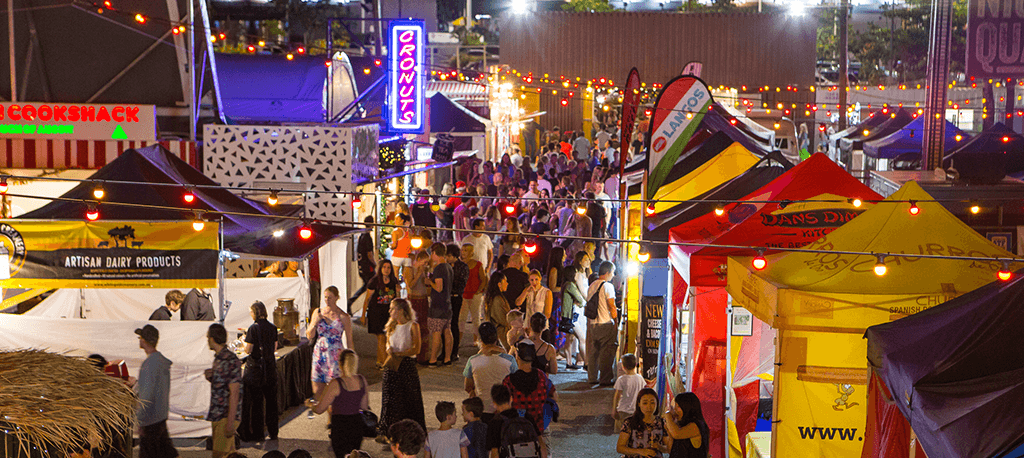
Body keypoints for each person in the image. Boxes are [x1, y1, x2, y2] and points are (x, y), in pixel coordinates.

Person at [305, 349, 370, 458]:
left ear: (340, 364)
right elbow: (364, 406)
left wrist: (311, 405)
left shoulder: (336, 384)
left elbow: (320, 409)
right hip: (356, 424)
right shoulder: (361, 380)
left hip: (340, 426)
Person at [380, 299, 427, 436]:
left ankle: (411, 429)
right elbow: (388, 343)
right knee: (391, 397)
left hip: (406, 364)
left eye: (392, 309)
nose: (389, 311)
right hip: (393, 364)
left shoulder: (413, 326)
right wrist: (390, 350)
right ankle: (389, 429)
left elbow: (416, 349)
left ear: (400, 310)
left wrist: (401, 353)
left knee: (409, 397)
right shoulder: (391, 326)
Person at [134, 324, 178, 458]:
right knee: (167, 452)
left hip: (150, 419)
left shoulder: (148, 365)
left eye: (140, 337)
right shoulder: (162, 363)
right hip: (161, 416)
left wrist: (140, 419)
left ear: (144, 340)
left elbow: (146, 395)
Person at [238, 301, 279, 442]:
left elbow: (248, 350)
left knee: (257, 403)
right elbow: (274, 348)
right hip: (270, 368)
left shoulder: (252, 329)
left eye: (251, 312)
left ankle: (258, 434)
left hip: (256, 370)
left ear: (255, 313)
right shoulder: (273, 327)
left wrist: (243, 342)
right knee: (272, 402)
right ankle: (273, 431)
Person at [307, 286, 355, 402]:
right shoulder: (318, 312)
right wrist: (314, 322)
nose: (327, 300)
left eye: (330, 297)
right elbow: (310, 335)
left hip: (335, 354)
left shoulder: (343, 317)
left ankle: (332, 417)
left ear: (337, 298)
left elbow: (349, 340)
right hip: (320, 352)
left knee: (334, 390)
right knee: (317, 390)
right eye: (325, 297)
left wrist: (351, 361)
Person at [463, 322, 517, 422]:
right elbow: (516, 384)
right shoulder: (510, 360)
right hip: (504, 410)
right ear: (497, 338)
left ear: (480, 340)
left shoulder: (473, 360)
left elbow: (467, 387)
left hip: (482, 410)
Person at [502, 341, 556, 439]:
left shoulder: (508, 380)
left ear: (517, 356)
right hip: (538, 428)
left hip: (516, 429)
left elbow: (503, 406)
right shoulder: (541, 376)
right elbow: (554, 395)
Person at [204, 323, 242, 458]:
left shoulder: (229, 360)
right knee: (229, 454)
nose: (207, 339)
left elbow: (234, 392)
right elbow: (225, 386)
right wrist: (212, 377)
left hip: (224, 416)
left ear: (212, 339)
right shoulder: (221, 358)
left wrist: (230, 422)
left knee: (221, 455)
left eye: (208, 336)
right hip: (219, 415)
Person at [486, 384, 544, 458]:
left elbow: (495, 453)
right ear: (511, 399)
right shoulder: (525, 415)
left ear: (494, 403)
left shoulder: (494, 422)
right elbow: (541, 443)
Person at [587, 261, 618, 386]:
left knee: (594, 352)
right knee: (607, 352)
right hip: (605, 323)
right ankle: (605, 379)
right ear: (608, 272)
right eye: (612, 272)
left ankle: (592, 377)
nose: (613, 275)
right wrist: (615, 321)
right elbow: (612, 306)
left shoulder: (592, 285)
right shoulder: (607, 286)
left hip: (593, 324)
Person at [363, 259, 399, 367]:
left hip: (388, 313)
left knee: (387, 338)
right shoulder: (374, 281)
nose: (386, 270)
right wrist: (363, 315)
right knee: (381, 338)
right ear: (380, 268)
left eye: (388, 268)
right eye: (384, 267)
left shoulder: (393, 281)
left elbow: (397, 298)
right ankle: (384, 363)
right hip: (376, 312)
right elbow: (367, 298)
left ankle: (380, 361)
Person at [617, 388, 670, 458]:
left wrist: (660, 447)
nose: (649, 407)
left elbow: (668, 448)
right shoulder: (629, 422)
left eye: (652, 403)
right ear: (639, 404)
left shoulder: (661, 422)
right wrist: (640, 451)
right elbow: (620, 448)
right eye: (645, 403)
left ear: (657, 404)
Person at [427, 243, 455, 365]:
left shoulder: (439, 268)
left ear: (434, 253)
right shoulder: (449, 267)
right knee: (447, 331)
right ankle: (447, 358)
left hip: (438, 304)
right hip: (447, 304)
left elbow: (438, 287)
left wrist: (429, 282)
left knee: (436, 332)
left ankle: (433, 359)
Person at [664, 392, 710, 458]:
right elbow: (671, 451)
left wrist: (667, 415)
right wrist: (669, 431)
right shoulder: (681, 426)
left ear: (687, 407)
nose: (675, 409)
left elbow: (677, 434)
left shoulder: (696, 425)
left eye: (678, 406)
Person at [559, 263, 586, 370]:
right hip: (571, 316)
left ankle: (569, 362)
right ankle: (586, 363)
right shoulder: (570, 285)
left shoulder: (565, 284)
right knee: (581, 338)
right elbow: (581, 300)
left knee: (569, 339)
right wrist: (578, 302)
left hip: (566, 316)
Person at [460, 243, 488, 345]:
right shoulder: (460, 264)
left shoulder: (478, 264)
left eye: (465, 250)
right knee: (461, 318)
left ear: (471, 252)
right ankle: (458, 340)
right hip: (463, 295)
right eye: (462, 250)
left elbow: (483, 279)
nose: (463, 252)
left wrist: (479, 290)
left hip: (475, 295)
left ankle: (476, 340)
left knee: (476, 318)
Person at [408, 251, 432, 364]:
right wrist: (418, 274)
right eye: (425, 262)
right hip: (414, 300)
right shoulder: (410, 269)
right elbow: (410, 285)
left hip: (423, 300)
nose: (426, 264)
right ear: (419, 260)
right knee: (414, 328)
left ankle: (423, 355)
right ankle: (414, 354)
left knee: (424, 328)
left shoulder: (424, 270)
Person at [350, 216, 378, 312]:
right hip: (368, 267)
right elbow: (369, 254)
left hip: (362, 266)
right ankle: (370, 306)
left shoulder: (361, 236)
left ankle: (354, 302)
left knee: (366, 286)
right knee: (373, 285)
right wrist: (375, 264)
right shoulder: (367, 237)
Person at [612, 354, 646, 429]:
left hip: (623, 410)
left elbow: (617, 395)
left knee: (621, 434)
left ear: (623, 367)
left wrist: (614, 409)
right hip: (636, 411)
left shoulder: (621, 379)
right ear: (635, 365)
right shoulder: (640, 378)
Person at [447, 244, 469, 355]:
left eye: (448, 255)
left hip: (456, 297)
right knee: (445, 324)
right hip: (446, 298)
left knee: (454, 323)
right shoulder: (445, 265)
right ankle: (446, 350)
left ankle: (454, 351)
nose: (447, 258)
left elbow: (461, 284)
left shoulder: (463, 267)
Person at [484, 272, 512, 349]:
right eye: (505, 281)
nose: (507, 283)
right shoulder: (497, 300)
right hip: (501, 336)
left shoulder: (494, 297)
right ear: (499, 284)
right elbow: (503, 319)